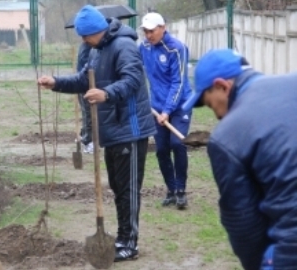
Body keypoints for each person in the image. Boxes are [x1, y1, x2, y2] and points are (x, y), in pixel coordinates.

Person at [38, 5, 156, 262]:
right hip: (112, 130)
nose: (82, 40)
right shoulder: (97, 50)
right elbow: (84, 80)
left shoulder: (123, 46)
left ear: (97, 30)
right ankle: (123, 237)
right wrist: (56, 83)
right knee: (117, 187)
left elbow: (132, 80)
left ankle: (130, 243)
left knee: (128, 189)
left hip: (130, 129)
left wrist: (107, 93)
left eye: (85, 35)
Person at [182, 48, 297, 270]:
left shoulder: (228, 135)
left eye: (210, 104)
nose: (217, 115)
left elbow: (244, 225)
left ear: (222, 86)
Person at [138, 12, 192, 209]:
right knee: (161, 149)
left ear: (163, 28)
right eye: (145, 31)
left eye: (151, 31)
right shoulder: (143, 47)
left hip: (179, 105)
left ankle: (181, 190)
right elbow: (135, 68)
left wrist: (168, 110)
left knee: (177, 144)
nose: (148, 35)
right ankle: (170, 189)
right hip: (156, 106)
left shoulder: (176, 49)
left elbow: (178, 82)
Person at [76, 42, 93, 154]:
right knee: (87, 112)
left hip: (88, 84)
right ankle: (87, 139)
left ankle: (88, 139)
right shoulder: (87, 46)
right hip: (85, 84)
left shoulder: (91, 46)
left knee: (89, 113)